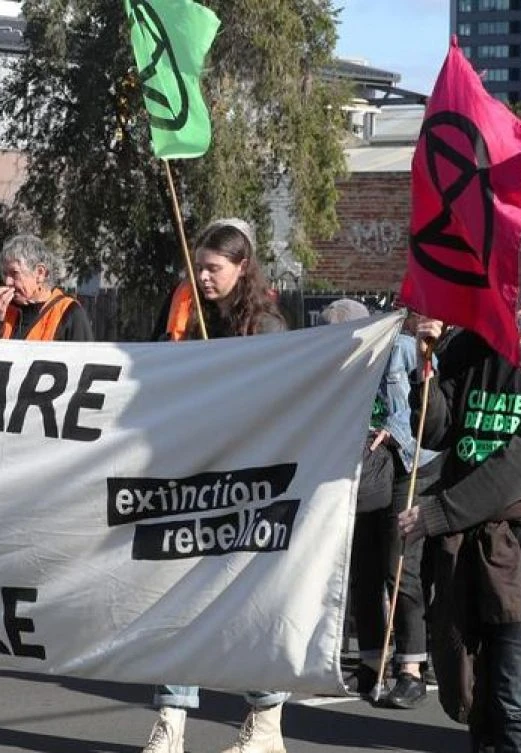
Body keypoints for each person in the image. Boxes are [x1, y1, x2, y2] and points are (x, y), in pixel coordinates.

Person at [399, 247, 521, 753]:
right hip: (469, 543)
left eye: (513, 293)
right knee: (477, 694)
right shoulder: (468, 347)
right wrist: (427, 369)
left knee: (514, 699)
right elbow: (440, 431)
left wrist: (436, 514)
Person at [141, 218, 288, 753]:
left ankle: (266, 720)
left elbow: (276, 406)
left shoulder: (267, 326)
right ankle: (170, 722)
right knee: (178, 602)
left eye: (213, 268)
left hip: (247, 485)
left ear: (241, 267)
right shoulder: (183, 315)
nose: (201, 277)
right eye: (197, 266)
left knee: (245, 606)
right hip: (188, 478)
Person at [328, 302, 441, 710]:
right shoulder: (337, 366)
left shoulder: (405, 350)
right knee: (363, 566)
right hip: (364, 470)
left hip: (412, 466)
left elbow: (432, 403)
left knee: (400, 565)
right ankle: (371, 662)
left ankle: (411, 668)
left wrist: (392, 432)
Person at [0, 234, 94, 341]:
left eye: (14, 273)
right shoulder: (2, 309)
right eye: (4, 274)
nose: (7, 282)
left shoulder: (69, 313)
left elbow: (85, 357)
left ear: (40, 273)